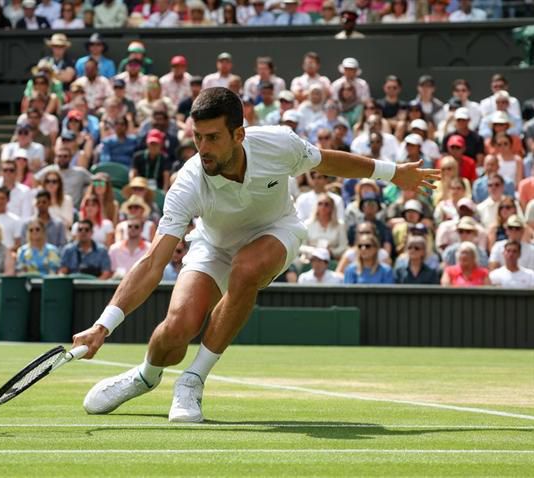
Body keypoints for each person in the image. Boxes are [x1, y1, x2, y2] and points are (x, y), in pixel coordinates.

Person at [71, 87, 437, 423]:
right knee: (178, 326)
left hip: (275, 231)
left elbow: (329, 162)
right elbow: (153, 262)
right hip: (212, 245)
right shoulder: (187, 182)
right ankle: (144, 377)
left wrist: (393, 173)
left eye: (213, 138)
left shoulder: (279, 144)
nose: (203, 148)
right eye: (197, 137)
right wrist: (103, 325)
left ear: (239, 134)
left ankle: (192, 380)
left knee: (246, 269)